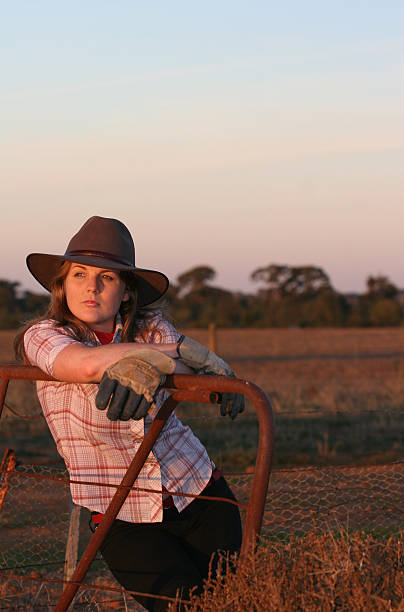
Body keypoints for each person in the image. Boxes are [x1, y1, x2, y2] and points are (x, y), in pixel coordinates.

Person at [14, 215, 243, 611]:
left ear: (124, 292)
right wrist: (169, 356)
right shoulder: (43, 335)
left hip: (198, 490)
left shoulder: (151, 327)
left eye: (108, 277)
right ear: (62, 285)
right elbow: (82, 366)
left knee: (240, 600)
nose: (92, 286)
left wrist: (165, 359)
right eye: (79, 274)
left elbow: (191, 375)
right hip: (121, 513)